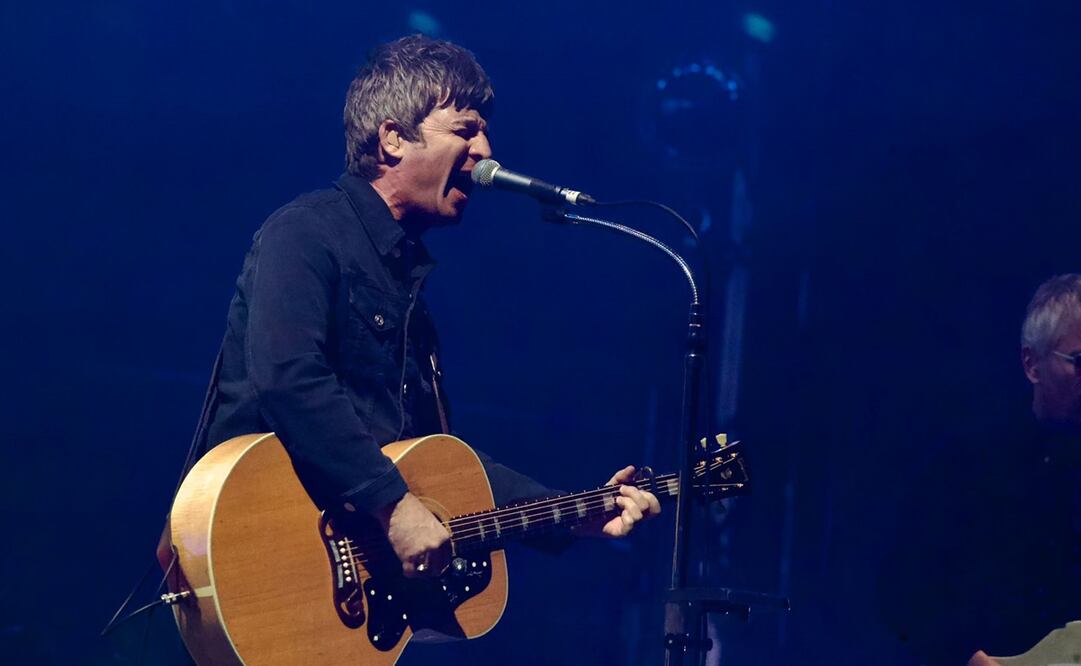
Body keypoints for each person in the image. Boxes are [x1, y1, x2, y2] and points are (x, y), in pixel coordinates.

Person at [192, 34, 659, 580]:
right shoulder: (306, 233)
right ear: (392, 139)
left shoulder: (403, 276)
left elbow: (433, 462)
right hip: (256, 552)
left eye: (484, 132)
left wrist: (572, 513)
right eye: (466, 130)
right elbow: (289, 379)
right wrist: (392, 504)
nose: (485, 152)